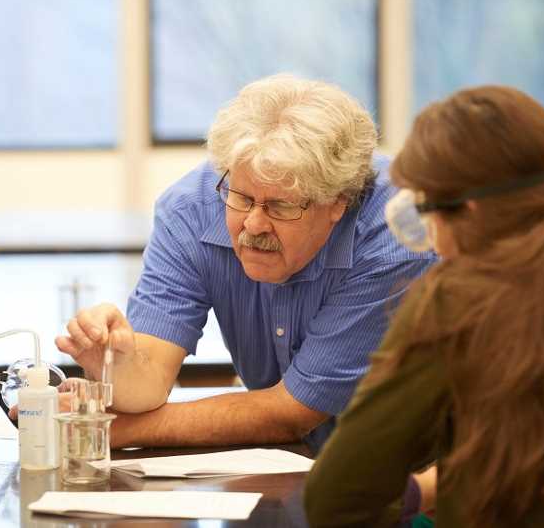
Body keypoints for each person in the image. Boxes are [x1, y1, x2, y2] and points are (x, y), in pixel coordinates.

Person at [44, 74, 434, 454]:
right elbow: (150, 375)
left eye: (281, 206)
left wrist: (114, 427)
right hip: (293, 464)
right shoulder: (191, 211)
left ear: (338, 203)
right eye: (242, 198)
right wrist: (116, 366)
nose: (254, 224)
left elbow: (294, 411)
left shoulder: (398, 235)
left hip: (417, 472)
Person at [303, 85, 544, 527]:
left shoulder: (457, 304)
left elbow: (337, 497)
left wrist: (413, 496)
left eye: (424, 207)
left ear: (471, 210)